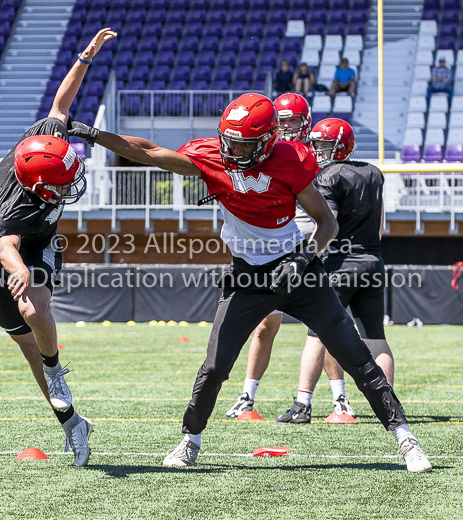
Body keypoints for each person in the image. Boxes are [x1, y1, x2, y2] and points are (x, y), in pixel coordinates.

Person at [91, 93, 432, 473]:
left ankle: (405, 438)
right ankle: (190, 439)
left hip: (298, 273)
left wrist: (303, 259)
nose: (232, 148)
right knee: (216, 366)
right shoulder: (212, 155)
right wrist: (92, 134)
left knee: (355, 355)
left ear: (267, 141)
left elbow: (328, 224)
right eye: (229, 139)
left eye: (242, 142)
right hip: (247, 277)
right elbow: (149, 152)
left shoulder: (290, 160)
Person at [0, 28, 117, 467]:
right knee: (26, 346)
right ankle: (72, 422)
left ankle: (55, 369)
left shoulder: (43, 143)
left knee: (34, 311)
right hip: (1, 253)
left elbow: (60, 105)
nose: (71, 185)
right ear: (37, 186)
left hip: (40, 245)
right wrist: (16, 269)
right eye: (61, 183)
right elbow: (5, 243)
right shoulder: (11, 205)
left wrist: (85, 57)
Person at [225, 95, 358, 425]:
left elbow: (328, 209)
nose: (286, 128)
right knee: (264, 325)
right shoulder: (261, 150)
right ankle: (247, 397)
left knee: (325, 326)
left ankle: (339, 399)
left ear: (306, 122)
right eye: (280, 122)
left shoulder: (315, 153)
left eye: (292, 122)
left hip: (309, 248)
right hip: (270, 250)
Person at [275, 119, 397, 427]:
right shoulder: (374, 173)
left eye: (324, 145)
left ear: (341, 146)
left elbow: (326, 224)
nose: (317, 151)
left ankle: (302, 404)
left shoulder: (328, 175)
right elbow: (380, 227)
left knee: (316, 334)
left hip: (339, 264)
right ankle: (389, 406)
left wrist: (305, 256)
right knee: (375, 336)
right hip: (372, 261)